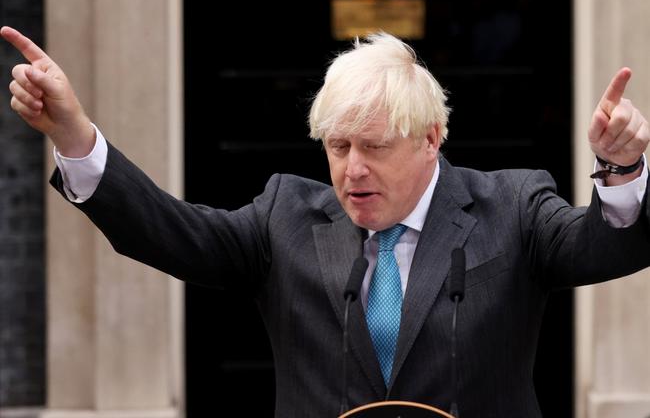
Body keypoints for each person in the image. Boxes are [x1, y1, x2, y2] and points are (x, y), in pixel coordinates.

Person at [2, 25, 649, 417]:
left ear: (431, 137)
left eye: (374, 146)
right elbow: (172, 233)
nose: (352, 170)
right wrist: (75, 134)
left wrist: (620, 172)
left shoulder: (512, 208)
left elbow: (600, 249)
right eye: (338, 148)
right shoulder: (286, 218)